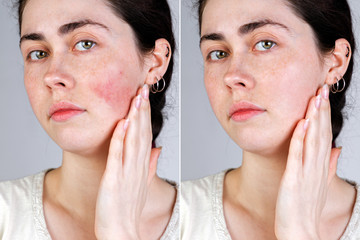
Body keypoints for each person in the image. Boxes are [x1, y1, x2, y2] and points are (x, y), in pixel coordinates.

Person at [181, 0, 360, 239]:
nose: (233, 76)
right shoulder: (179, 218)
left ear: (335, 61)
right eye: (218, 53)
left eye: (265, 44)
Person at [0, 0, 178, 239]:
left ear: (155, 61)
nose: (53, 76)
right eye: (38, 53)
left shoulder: (199, 221)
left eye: (85, 44)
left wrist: (119, 231)